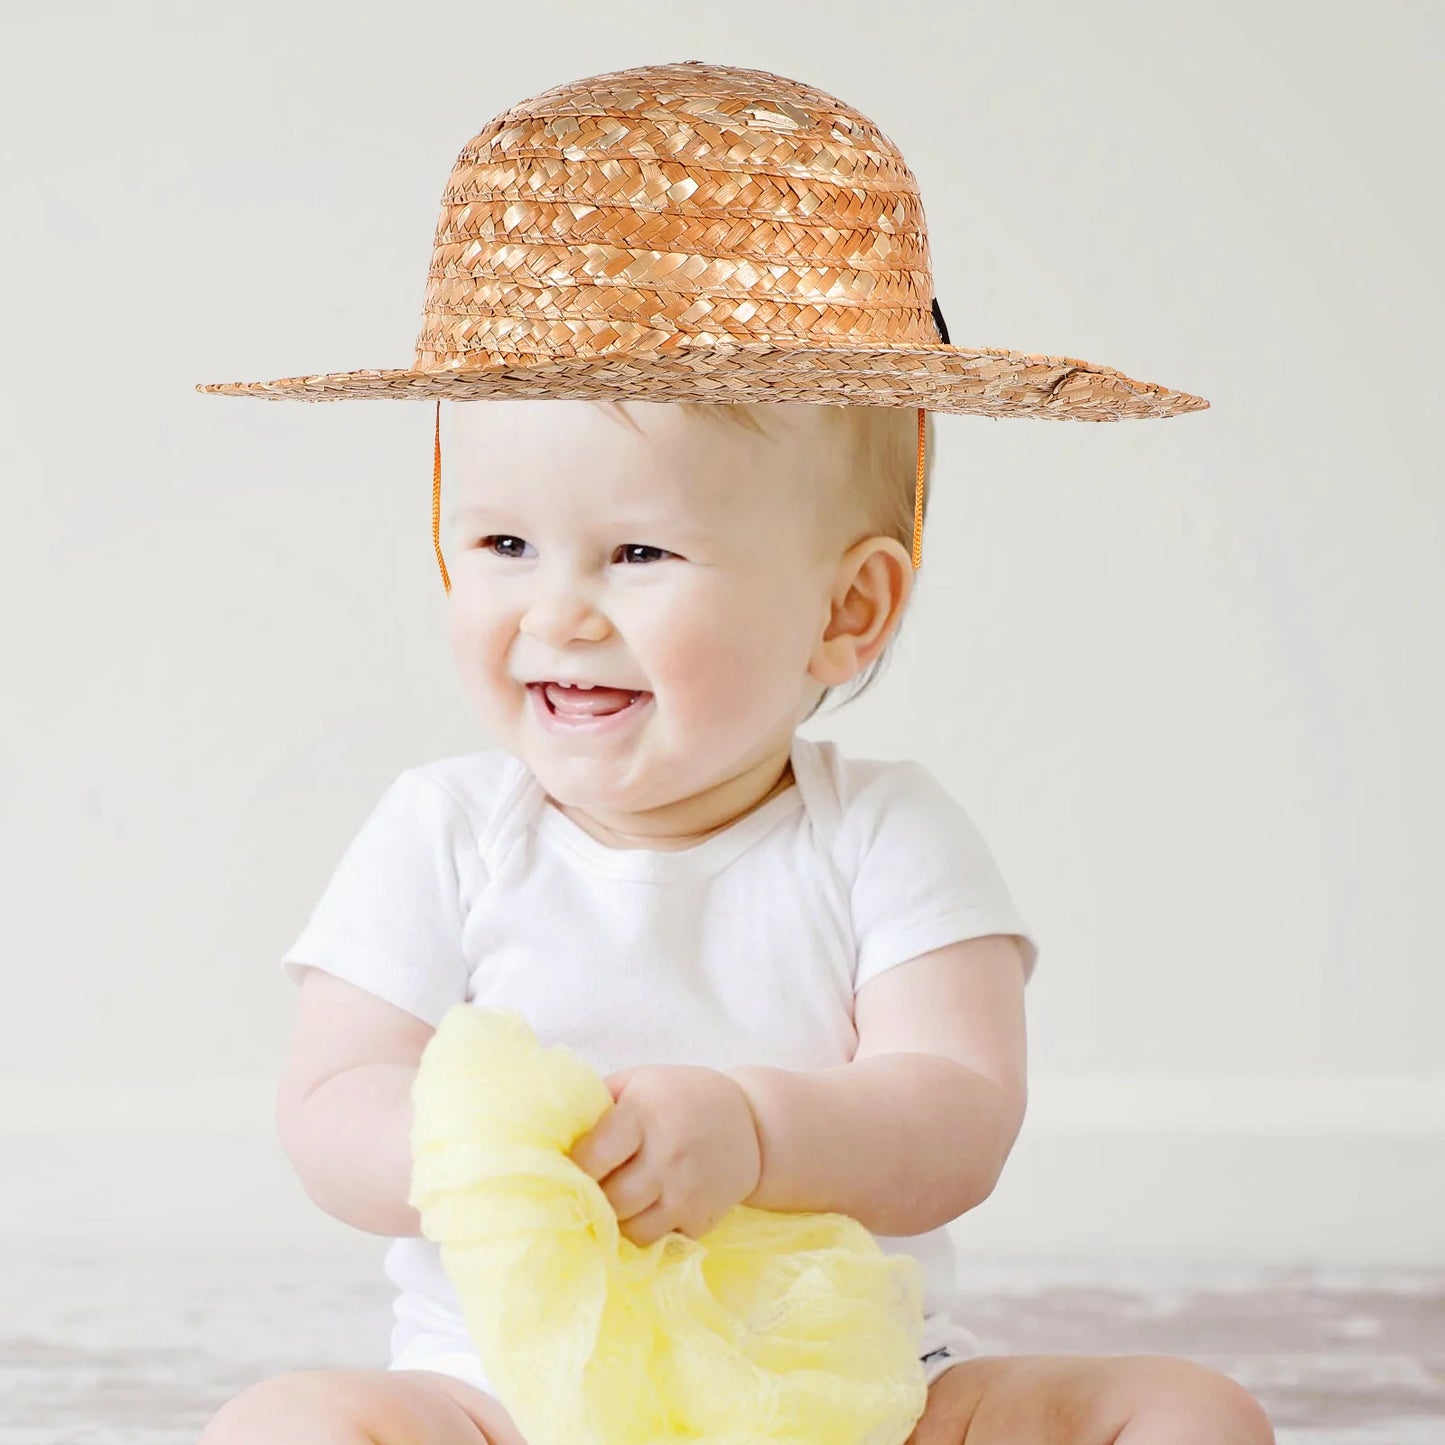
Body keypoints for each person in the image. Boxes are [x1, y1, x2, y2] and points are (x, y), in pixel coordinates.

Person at [196, 60, 1273, 1445]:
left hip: (852, 1393)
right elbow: (329, 1099)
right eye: (503, 543)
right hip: (510, 1394)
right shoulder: (443, 828)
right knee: (287, 1423)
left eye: (639, 551)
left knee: (1186, 1410)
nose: (558, 610)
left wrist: (755, 1134)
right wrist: (482, 1150)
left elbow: (955, 1116)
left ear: (845, 608)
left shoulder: (883, 834)